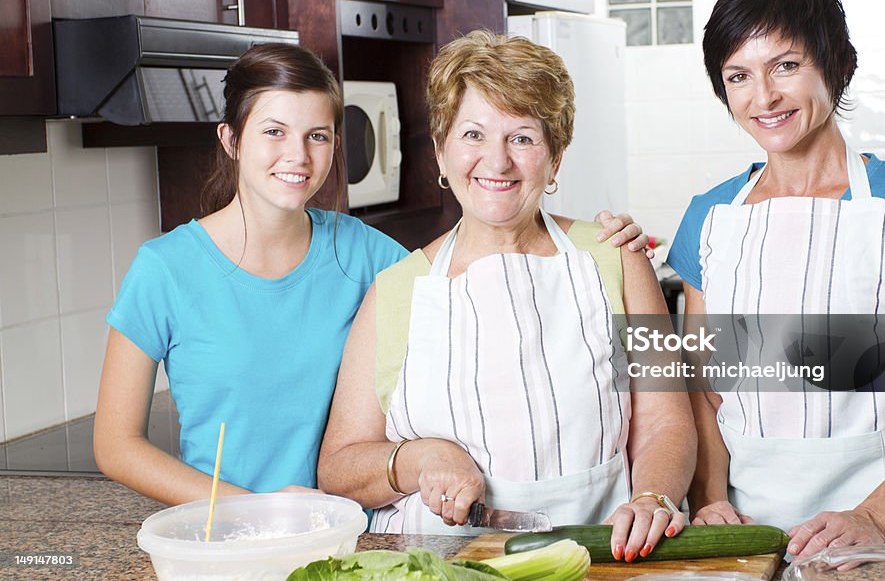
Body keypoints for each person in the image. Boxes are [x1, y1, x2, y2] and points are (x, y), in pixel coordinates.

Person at [93, 42, 649, 506]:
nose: (299, 155)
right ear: (231, 140)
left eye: (318, 135)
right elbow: (116, 445)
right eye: (273, 132)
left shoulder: (367, 256)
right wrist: (256, 512)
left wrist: (605, 244)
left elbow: (472, 288)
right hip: (228, 532)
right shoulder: (164, 269)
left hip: (351, 535)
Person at [318, 30, 696, 561]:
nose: (496, 162)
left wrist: (652, 497)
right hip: (442, 564)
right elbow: (339, 465)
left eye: (522, 138)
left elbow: (666, 420)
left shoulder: (618, 257)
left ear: (555, 158)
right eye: (473, 134)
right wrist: (417, 459)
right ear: (440, 152)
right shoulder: (397, 291)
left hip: (606, 558)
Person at [667, 0, 885, 558]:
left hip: (868, 538)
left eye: (785, 66)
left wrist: (873, 516)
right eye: (738, 75)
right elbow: (703, 389)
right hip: (735, 536)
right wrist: (708, 497)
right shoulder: (708, 219)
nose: (762, 96)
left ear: (835, 65)